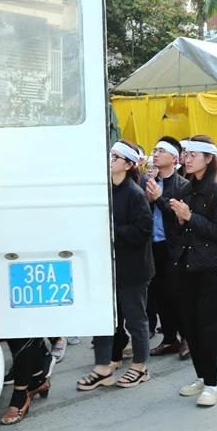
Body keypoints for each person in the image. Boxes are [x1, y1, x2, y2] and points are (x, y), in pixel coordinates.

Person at [77, 140, 153, 392]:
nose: (110, 161)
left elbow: (143, 231)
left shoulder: (135, 193)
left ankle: (141, 366)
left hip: (132, 268)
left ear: (129, 164)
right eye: (109, 156)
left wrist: (112, 230)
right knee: (102, 317)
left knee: (135, 319)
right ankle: (103, 367)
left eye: (115, 157)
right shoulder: (104, 190)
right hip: (104, 265)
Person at [171, 135, 217, 407]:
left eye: (193, 155)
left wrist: (190, 218)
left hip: (213, 268)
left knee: (209, 327)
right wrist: (180, 219)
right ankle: (201, 376)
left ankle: (212, 384)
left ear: (208, 159)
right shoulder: (188, 189)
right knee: (191, 325)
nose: (186, 159)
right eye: (185, 154)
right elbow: (183, 229)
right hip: (188, 265)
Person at [144, 138, 191, 359]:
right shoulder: (150, 181)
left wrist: (159, 199)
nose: (155, 153)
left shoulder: (182, 185)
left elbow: (179, 219)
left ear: (174, 158)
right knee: (160, 294)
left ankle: (186, 338)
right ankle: (169, 338)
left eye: (161, 151)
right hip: (153, 245)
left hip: (174, 247)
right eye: (154, 150)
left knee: (178, 295)